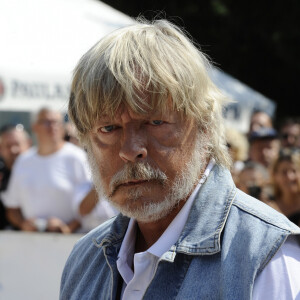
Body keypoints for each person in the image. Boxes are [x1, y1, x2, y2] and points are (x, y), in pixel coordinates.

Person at [60, 19, 300, 299]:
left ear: (205, 125)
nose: (130, 149)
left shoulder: (268, 259)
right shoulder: (85, 260)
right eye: (108, 128)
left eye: (155, 121)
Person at [2, 108, 91, 233]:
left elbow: (93, 200)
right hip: (33, 244)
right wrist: (23, 224)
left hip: (73, 241)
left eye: (57, 122)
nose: (52, 127)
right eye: (47, 122)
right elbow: (12, 208)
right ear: (34, 127)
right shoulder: (23, 161)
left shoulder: (77, 157)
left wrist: (68, 228)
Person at [0, 124, 31, 229]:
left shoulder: (41, 170)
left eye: (17, 144)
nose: (13, 150)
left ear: (28, 144)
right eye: (8, 146)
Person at [268, 148, 300, 226]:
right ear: (275, 176)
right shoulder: (269, 207)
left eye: (294, 171)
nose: (290, 177)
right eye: (284, 172)